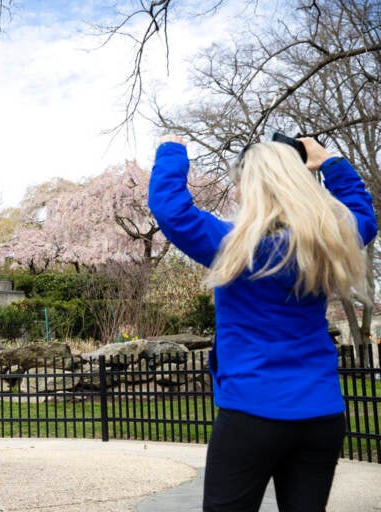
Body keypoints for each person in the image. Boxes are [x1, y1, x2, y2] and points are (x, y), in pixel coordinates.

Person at [148, 135, 377, 511]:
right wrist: (330, 162)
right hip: (320, 414)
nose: (236, 193)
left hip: (251, 414)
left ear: (253, 186)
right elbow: (363, 215)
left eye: (238, 184)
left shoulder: (235, 247)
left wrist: (172, 151)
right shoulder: (329, 244)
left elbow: (172, 211)